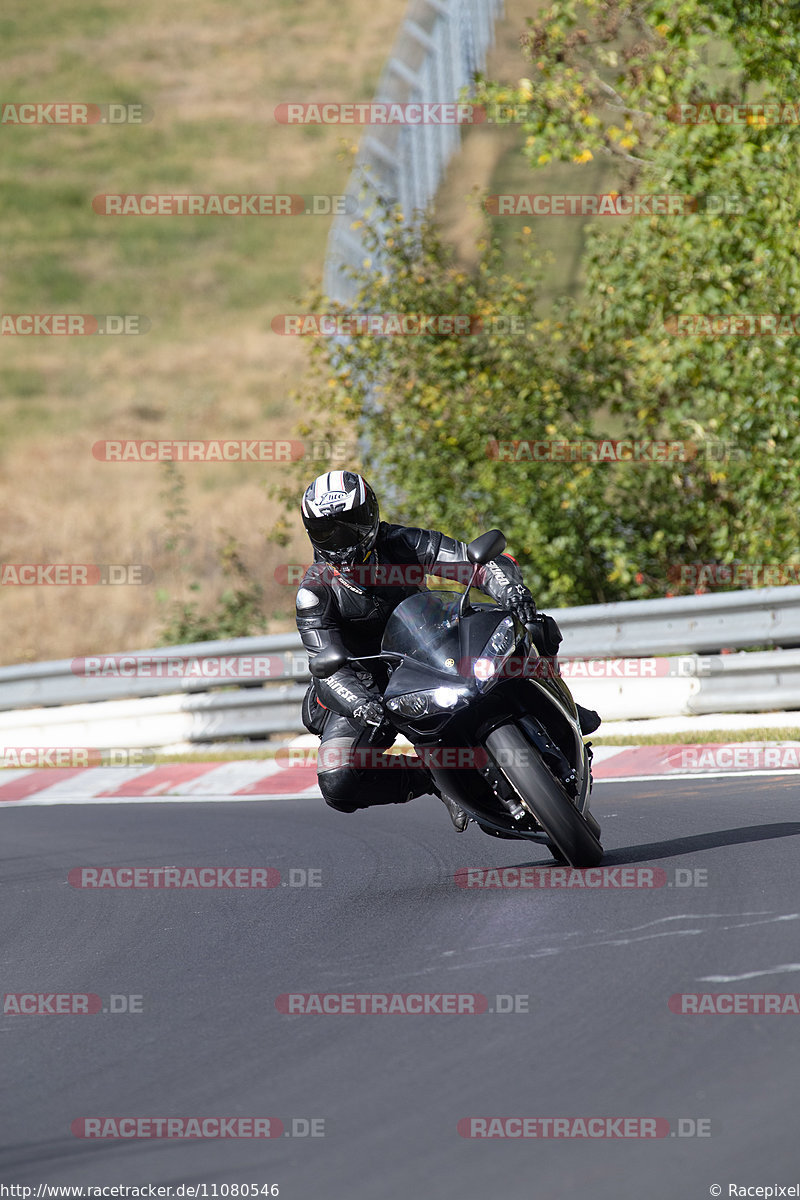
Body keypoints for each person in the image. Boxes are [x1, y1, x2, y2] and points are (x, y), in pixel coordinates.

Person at [295, 470, 600, 831]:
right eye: (328, 531)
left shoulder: (403, 543)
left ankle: (558, 702)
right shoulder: (314, 593)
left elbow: (476, 563)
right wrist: (361, 705)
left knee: (533, 626)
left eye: (350, 526)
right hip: (366, 685)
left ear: (371, 516)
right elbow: (327, 668)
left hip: (428, 649)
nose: (341, 540)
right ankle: (433, 779)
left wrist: (511, 591)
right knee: (337, 778)